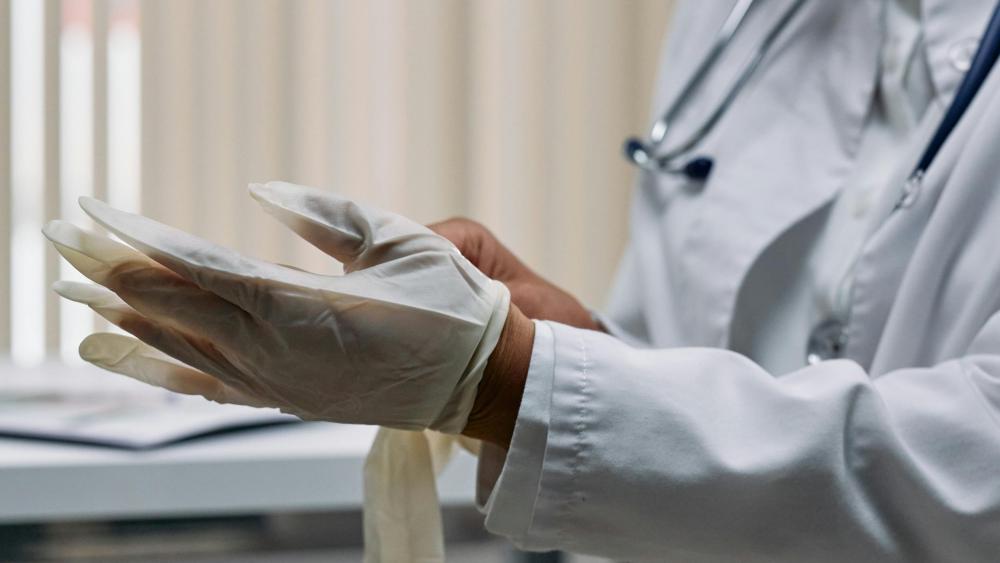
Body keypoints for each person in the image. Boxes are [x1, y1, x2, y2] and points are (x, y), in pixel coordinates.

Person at [43, 0, 1000, 560]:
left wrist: (510, 377)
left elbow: (974, 476)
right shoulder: (745, 22)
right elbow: (693, 367)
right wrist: (569, 342)